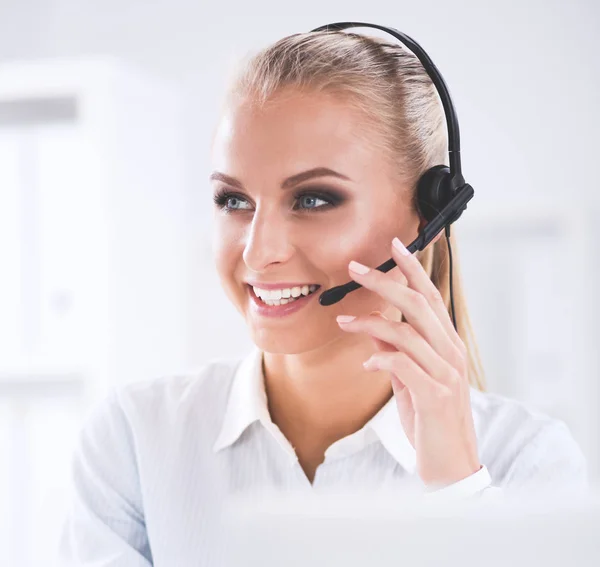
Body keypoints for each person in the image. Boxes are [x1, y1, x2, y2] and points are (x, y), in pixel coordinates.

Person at [58, 29, 588, 566]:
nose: (259, 252)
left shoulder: (528, 464)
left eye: (313, 199)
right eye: (233, 199)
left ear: (429, 217)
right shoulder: (134, 442)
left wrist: (458, 491)